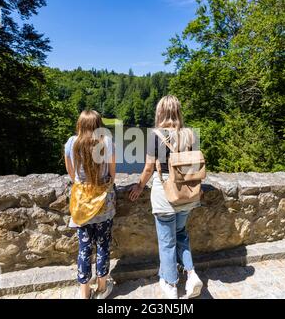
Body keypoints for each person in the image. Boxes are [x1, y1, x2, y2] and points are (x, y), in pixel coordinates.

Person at [129, 95, 203, 299]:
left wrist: (139, 185)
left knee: (167, 242)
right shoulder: (190, 134)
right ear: (178, 111)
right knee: (181, 235)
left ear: (160, 112)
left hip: (165, 195)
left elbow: (148, 168)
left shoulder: (155, 135)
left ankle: (170, 284)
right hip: (187, 195)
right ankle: (191, 273)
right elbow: (193, 167)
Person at [64, 110, 116, 299]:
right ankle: (102, 288)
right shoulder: (107, 142)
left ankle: (84, 293)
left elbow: (72, 174)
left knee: (84, 248)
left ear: (80, 125)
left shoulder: (71, 143)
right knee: (103, 245)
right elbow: (112, 174)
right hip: (103, 203)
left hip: (82, 203)